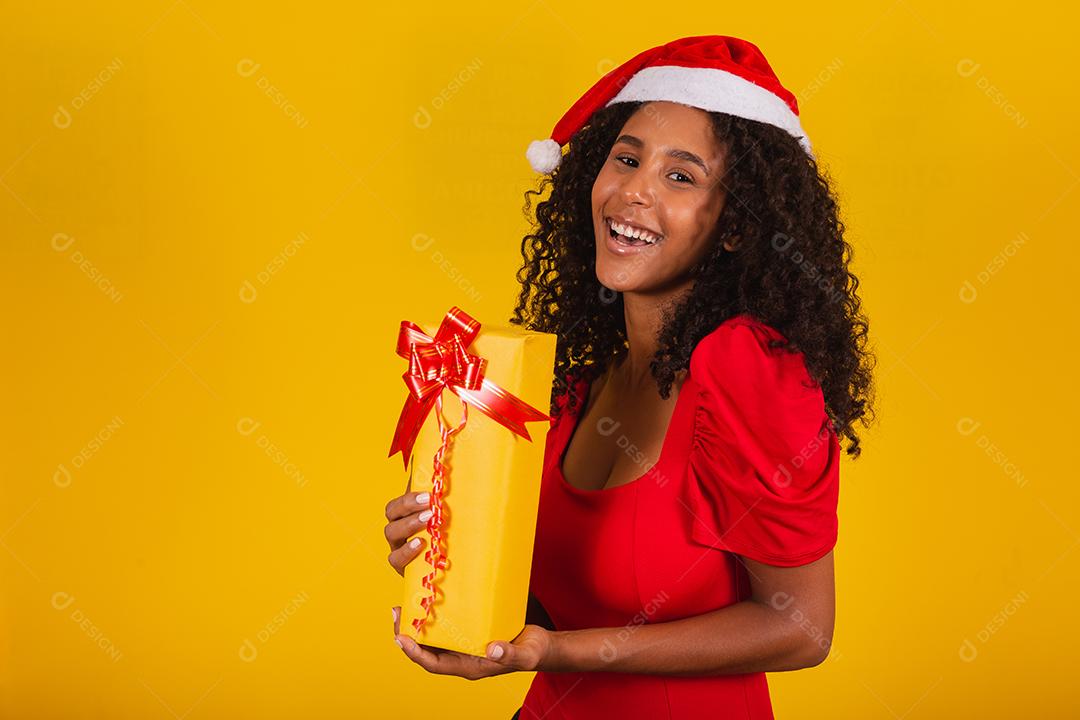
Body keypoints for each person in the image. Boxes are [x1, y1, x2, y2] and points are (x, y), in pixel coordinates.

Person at [383, 35, 875, 719]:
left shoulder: (751, 370)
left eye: (682, 176)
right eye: (625, 158)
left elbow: (801, 628)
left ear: (735, 225)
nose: (633, 191)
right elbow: (562, 606)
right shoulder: (571, 383)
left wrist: (554, 653)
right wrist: (447, 567)